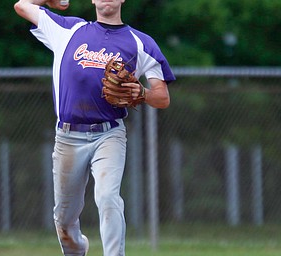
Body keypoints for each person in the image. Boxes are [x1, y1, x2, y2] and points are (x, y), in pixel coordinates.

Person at [14, 0, 175, 255]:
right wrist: (49, 1)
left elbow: (162, 97)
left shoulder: (140, 42)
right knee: (65, 219)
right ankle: (78, 249)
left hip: (108, 134)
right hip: (67, 136)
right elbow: (22, 5)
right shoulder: (68, 30)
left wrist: (142, 93)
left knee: (108, 198)